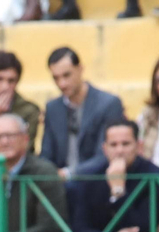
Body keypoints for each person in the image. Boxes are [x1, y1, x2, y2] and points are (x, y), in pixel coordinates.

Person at [39, 47, 126, 180]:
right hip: (60, 188)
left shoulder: (109, 104)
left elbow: (105, 155)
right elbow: (46, 155)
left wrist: (69, 174)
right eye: (56, 78)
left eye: (67, 75)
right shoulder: (52, 108)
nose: (61, 83)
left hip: (97, 184)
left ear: (80, 69)